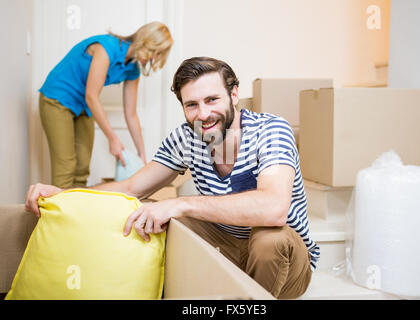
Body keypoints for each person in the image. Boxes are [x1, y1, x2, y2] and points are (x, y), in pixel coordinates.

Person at [26, 57, 320, 299]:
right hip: (225, 245)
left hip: (286, 262)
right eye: (191, 104)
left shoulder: (271, 130)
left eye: (212, 99)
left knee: (269, 240)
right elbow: (130, 187)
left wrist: (183, 204)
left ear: (233, 95)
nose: (203, 114)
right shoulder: (185, 138)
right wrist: (65, 194)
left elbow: (274, 208)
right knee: (148, 210)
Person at [38, 22, 173, 188]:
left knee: (82, 169)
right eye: (155, 52)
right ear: (145, 41)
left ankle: (74, 212)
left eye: (159, 54)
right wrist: (113, 139)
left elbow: (131, 114)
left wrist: (142, 155)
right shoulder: (107, 48)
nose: (154, 58)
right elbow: (92, 96)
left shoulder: (133, 69)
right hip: (57, 98)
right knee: (65, 167)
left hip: (83, 105)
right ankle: (56, 212)